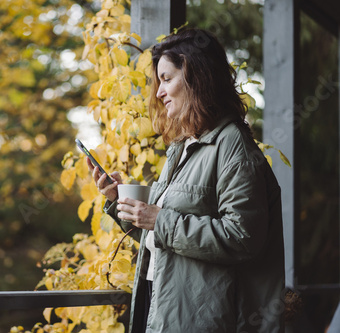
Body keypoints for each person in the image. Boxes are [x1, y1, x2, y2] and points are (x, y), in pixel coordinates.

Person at [86, 28, 285, 333]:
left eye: (166, 79)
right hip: (161, 305)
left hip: (202, 319)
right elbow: (167, 239)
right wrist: (120, 203)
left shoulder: (231, 144)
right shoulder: (183, 146)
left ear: (196, 76)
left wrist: (160, 219)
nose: (158, 92)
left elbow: (243, 237)